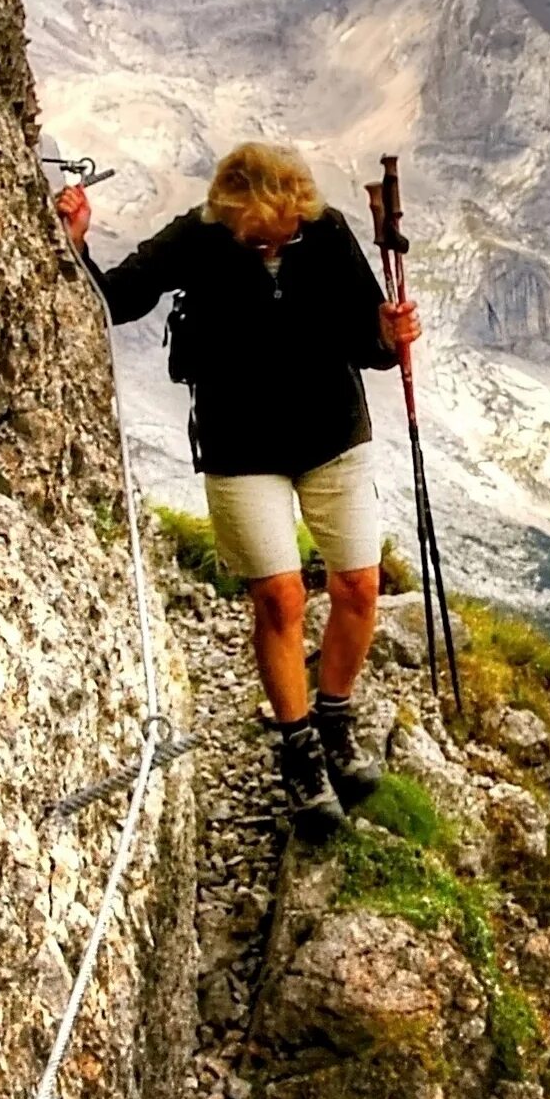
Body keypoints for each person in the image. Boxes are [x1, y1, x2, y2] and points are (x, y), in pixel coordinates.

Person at [58, 142, 419, 841]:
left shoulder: (329, 232)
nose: (272, 241)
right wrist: (76, 245)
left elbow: (369, 343)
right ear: (232, 212)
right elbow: (119, 299)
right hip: (238, 444)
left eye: (283, 229)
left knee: (359, 588)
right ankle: (299, 751)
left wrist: (391, 332)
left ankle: (335, 716)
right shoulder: (198, 236)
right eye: (259, 231)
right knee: (279, 596)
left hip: (334, 434)